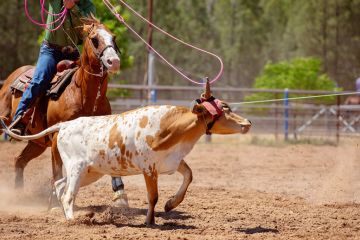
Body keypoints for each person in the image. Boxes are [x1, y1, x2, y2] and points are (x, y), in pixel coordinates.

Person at [11, 0, 128, 207]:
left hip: (74, 52)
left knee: (93, 79)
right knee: (39, 80)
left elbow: (86, 30)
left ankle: (116, 186)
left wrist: (73, 7)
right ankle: (20, 117)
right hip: (51, 50)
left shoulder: (88, 7)